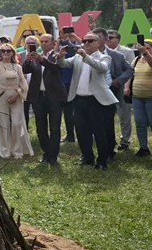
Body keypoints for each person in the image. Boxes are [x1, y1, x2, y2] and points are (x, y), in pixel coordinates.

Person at [58, 33, 118, 170]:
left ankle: (102, 161)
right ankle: (87, 157)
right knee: (81, 130)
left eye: (90, 41)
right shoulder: (78, 56)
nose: (86, 43)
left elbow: (102, 68)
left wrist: (86, 56)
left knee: (99, 131)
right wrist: (60, 56)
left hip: (96, 101)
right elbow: (63, 64)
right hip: (79, 99)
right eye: (84, 41)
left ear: (98, 43)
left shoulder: (104, 57)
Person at [22, 34, 67, 166]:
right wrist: (28, 60)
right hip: (38, 97)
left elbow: (55, 68)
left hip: (54, 97)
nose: (43, 44)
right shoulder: (35, 56)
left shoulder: (57, 56)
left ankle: (53, 155)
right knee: (40, 128)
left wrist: (41, 59)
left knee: (54, 127)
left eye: (46, 41)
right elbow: (25, 70)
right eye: (41, 41)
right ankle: (46, 152)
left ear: (53, 43)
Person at [0, 43, 31, 159]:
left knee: (17, 123)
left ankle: (17, 150)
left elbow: (23, 83)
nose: (6, 53)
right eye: (3, 51)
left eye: (8, 51)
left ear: (13, 53)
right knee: (3, 124)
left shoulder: (18, 67)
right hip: (1, 95)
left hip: (15, 95)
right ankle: (5, 151)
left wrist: (17, 94)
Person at [125, 39, 152, 157]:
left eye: (148, 48)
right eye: (143, 48)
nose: (144, 50)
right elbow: (130, 74)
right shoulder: (136, 60)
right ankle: (143, 147)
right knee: (140, 122)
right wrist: (126, 87)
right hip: (137, 96)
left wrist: (145, 53)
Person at [105, 29, 135, 149]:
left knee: (124, 115)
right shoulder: (102, 51)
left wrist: (125, 86)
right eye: (107, 37)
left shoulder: (126, 52)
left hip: (121, 86)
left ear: (118, 39)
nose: (108, 40)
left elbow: (130, 70)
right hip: (106, 87)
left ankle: (125, 141)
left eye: (111, 37)